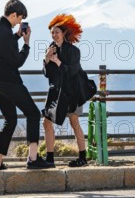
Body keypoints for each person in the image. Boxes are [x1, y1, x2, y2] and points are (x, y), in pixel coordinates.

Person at [0, 0, 52, 170]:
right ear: (13, 15)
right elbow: (16, 61)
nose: (20, 22)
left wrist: (17, 35)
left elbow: (2, 48)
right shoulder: (4, 32)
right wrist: (26, 43)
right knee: (33, 113)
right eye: (20, 18)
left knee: (10, 120)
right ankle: (33, 159)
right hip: (8, 81)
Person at [42, 14, 88, 167]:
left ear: (64, 33)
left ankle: (83, 158)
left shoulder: (74, 51)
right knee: (46, 122)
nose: (54, 35)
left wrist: (57, 62)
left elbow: (73, 72)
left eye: (57, 32)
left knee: (74, 121)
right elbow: (47, 73)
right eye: (52, 32)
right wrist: (47, 59)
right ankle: (50, 159)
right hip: (56, 91)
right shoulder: (51, 49)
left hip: (72, 92)